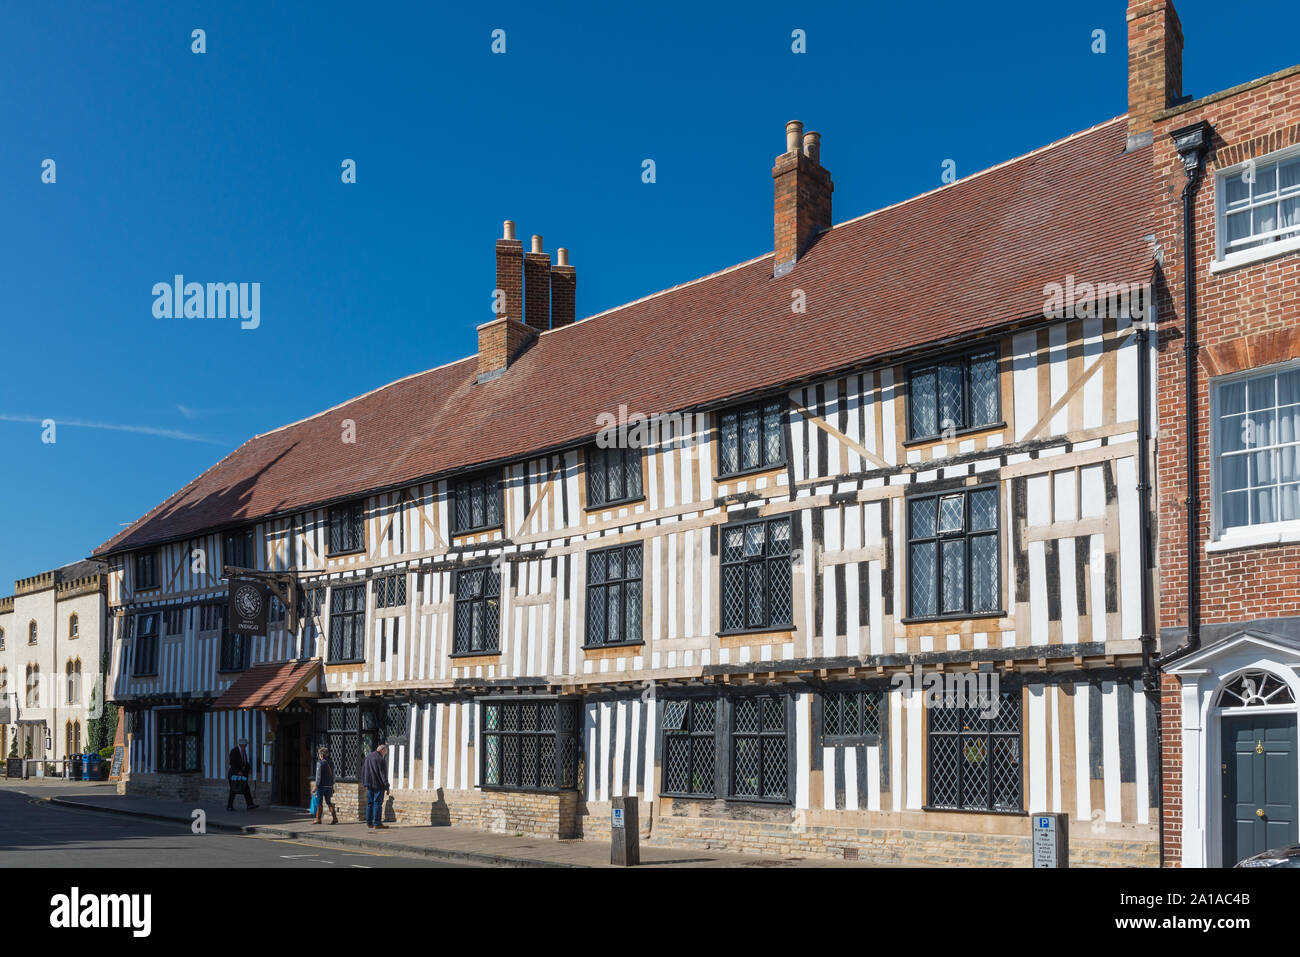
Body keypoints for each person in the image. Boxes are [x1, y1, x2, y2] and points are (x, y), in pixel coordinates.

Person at [361, 743, 390, 829]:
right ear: (382, 750)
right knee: (377, 803)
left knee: (370, 803)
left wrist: (364, 781)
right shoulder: (380, 759)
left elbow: (363, 770)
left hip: (369, 784)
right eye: (385, 752)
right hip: (378, 785)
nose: (385, 754)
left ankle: (369, 823)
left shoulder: (368, 757)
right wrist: (387, 787)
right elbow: (383, 775)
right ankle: (377, 823)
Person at [227, 737, 259, 811]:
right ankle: (229, 806)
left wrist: (248, 768)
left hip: (242, 775)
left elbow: (244, 762)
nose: (246, 746)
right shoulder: (234, 751)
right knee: (233, 789)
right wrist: (238, 771)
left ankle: (250, 805)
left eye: (246, 745)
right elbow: (232, 762)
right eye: (245, 745)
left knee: (246, 789)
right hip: (234, 775)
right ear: (241, 744)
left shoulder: (243, 751)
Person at [312, 745, 338, 825]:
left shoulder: (320, 763)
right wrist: (332, 785)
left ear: (321, 755)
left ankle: (318, 819)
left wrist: (316, 786)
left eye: (319, 754)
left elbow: (318, 776)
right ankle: (334, 818)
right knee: (328, 802)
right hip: (329, 785)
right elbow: (333, 775)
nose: (319, 756)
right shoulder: (331, 763)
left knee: (319, 803)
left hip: (321, 786)